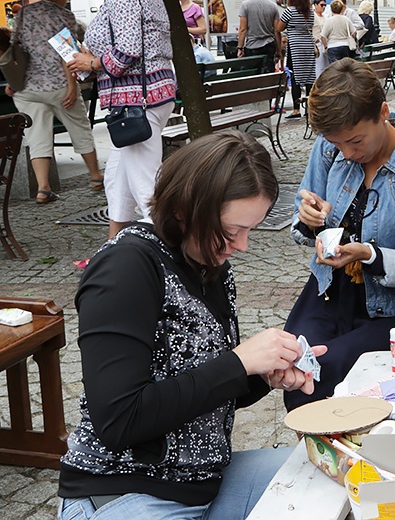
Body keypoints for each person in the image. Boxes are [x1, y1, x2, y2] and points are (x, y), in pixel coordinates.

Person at [57, 131, 324, 518]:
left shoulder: (208, 264)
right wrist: (238, 363)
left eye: (251, 229)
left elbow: (201, 388)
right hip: (127, 492)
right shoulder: (126, 267)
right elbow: (119, 419)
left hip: (203, 485)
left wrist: (261, 375)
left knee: (334, 477)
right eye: (233, 231)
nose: (243, 244)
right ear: (184, 210)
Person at [284, 59, 395, 410]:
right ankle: (325, 460)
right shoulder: (330, 147)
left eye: (355, 141)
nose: (346, 153)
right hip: (331, 290)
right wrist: (309, 219)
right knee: (297, 368)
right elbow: (306, 213)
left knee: (324, 371)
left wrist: (370, 255)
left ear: (384, 112)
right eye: (336, 143)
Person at [68, 0, 177, 240]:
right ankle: (113, 249)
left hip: (135, 103)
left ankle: (177, 257)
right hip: (149, 97)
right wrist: (90, 61)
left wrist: (93, 62)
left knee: (147, 189)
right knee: (117, 179)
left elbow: (128, 50)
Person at [8, 0, 104, 204]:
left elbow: (15, 48)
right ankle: (94, 177)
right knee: (79, 127)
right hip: (58, 84)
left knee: (37, 135)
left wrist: (13, 82)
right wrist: (72, 86)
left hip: (28, 88)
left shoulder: (24, 13)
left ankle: (43, 188)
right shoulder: (65, 16)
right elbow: (67, 52)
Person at [275, 0, 316, 120]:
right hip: (308, 46)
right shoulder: (310, 12)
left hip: (295, 46)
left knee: (295, 77)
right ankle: (310, 109)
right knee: (310, 77)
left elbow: (279, 28)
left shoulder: (289, 11)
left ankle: (296, 109)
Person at [237, 0, 281, 73]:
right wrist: (278, 50)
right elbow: (277, 30)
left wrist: (240, 47)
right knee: (267, 76)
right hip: (269, 45)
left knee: (252, 76)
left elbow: (243, 29)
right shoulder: (273, 6)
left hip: (252, 46)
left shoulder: (245, 5)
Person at [321, 0, 356, 64]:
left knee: (335, 68)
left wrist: (326, 46)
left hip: (333, 46)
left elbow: (323, 36)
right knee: (345, 67)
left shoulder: (329, 20)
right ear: (342, 8)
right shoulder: (346, 19)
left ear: (331, 9)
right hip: (345, 46)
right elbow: (354, 33)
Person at [312, 0, 328, 76]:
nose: (324, 7)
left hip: (325, 43)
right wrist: (315, 40)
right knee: (319, 66)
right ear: (315, 5)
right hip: (318, 44)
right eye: (322, 5)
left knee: (326, 66)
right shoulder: (313, 16)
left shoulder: (325, 17)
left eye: (325, 5)